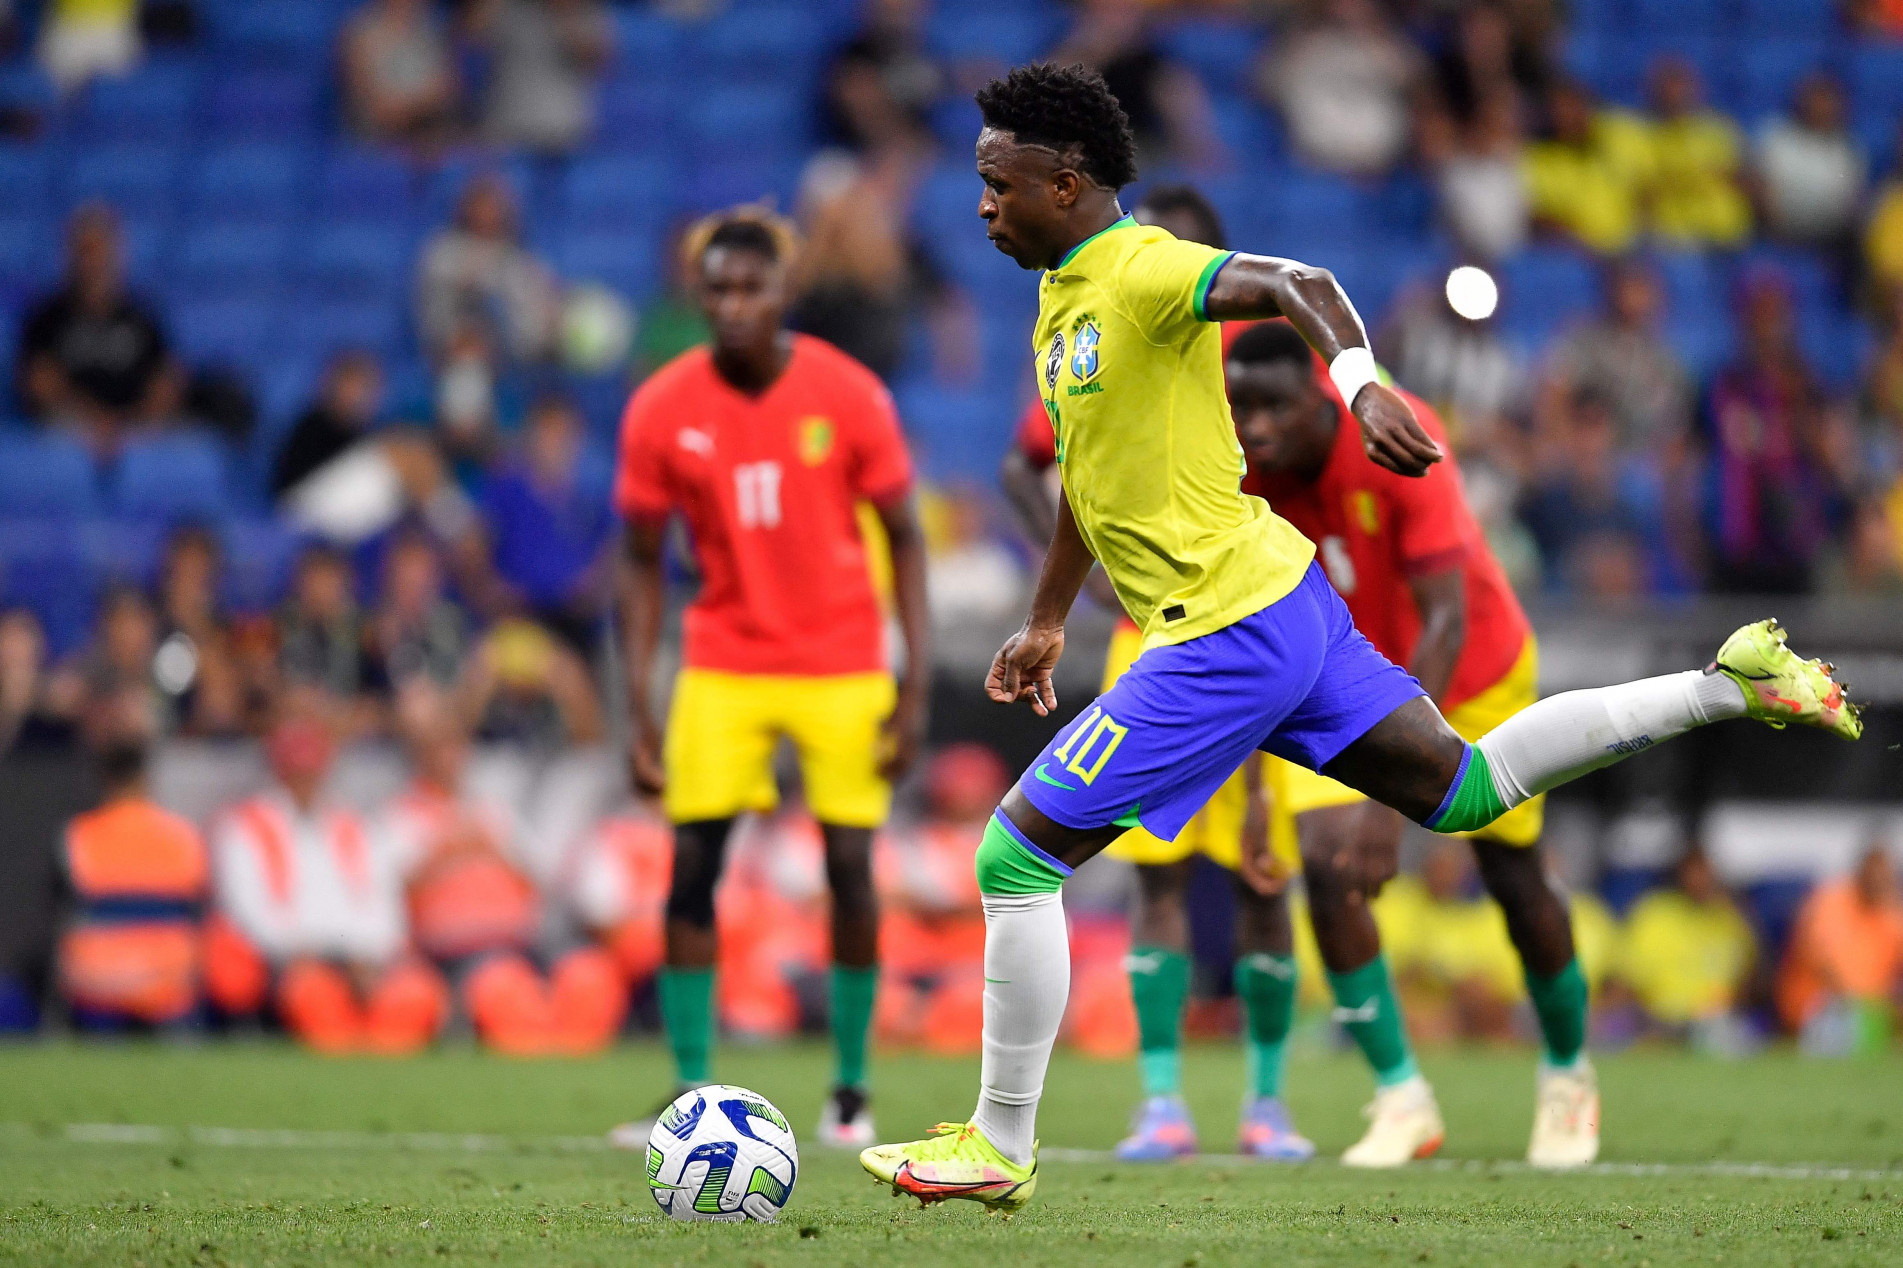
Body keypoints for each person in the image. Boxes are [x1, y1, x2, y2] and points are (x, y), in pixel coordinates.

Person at [859, 62, 1860, 1214]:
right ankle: (1727, 684)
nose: (983, 204)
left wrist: (1362, 385)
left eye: (1000, 183)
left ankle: (998, 1141)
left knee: (1013, 858)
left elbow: (1303, 280)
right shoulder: (1059, 299)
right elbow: (1088, 483)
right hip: (1279, 603)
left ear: (1067, 182)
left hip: (1223, 631)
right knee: (1467, 791)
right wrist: (1045, 616)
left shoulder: (1139, 268)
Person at [1231, 316, 1602, 1167]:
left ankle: (1567, 1074)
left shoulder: (1395, 432)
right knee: (1326, 868)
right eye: (1241, 409)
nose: (1255, 428)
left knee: (1511, 875)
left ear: (1320, 398)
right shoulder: (1238, 474)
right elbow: (1240, 633)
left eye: (1274, 408)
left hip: (1472, 672)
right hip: (1344, 680)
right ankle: (1401, 1098)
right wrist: (1253, 789)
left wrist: (1389, 803)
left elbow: (1445, 618)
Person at [1003, 184, 1316, 1164]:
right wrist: (1077, 587)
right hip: (1155, 637)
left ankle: (1267, 1103)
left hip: (1260, 622)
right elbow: (1037, 462)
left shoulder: (1262, 360)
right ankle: (1161, 1102)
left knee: (1264, 873)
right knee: (1157, 872)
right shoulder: (1105, 328)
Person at [614, 207, 931, 1147]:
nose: (733, 305)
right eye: (717, 289)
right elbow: (638, 559)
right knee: (691, 870)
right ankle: (687, 1090)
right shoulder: (661, 408)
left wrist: (913, 688)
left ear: (785, 292)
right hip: (723, 657)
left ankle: (850, 1089)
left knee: (850, 870)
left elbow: (906, 537)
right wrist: (639, 703)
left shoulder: (850, 394)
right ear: (698, 295)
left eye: (751, 288)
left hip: (841, 658)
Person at [207, 696, 449, 1053]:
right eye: (297, 768)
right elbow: (249, 914)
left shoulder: (351, 825)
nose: (305, 778)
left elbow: (383, 907)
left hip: (362, 963)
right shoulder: (245, 826)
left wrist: (367, 958)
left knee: (417, 995)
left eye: (311, 768)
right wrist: (321, 954)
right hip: (291, 963)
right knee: (314, 997)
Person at [57, 739, 209, 1029]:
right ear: (145, 779)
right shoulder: (182, 835)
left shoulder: (79, 835)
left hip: (99, 980)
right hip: (168, 978)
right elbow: (198, 909)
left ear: (104, 780)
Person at [16, 204, 180, 447]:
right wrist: (93, 421)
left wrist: (127, 425)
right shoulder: (46, 318)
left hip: (135, 432)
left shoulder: (142, 316)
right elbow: (39, 383)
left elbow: (165, 381)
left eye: (99, 250)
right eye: (85, 251)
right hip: (68, 432)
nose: (92, 262)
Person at [415, 174, 561, 367]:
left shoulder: (521, 259)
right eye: (482, 206)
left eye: (494, 206)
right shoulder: (443, 251)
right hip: (455, 355)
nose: (487, 213)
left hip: (514, 360)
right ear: (466, 208)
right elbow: (434, 311)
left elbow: (542, 310)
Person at [1777, 843, 1903, 1043]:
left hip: (1872, 1010)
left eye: (1884, 878)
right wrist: (1859, 1002)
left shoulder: (1890, 912)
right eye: (1873, 876)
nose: (1878, 882)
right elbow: (1822, 962)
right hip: (1821, 1007)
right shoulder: (1830, 901)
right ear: (1860, 873)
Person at [467, 0, 612, 155]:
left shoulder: (585, 13)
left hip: (564, 134)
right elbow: (469, 38)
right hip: (505, 131)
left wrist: (564, 13)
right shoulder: (509, 9)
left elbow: (597, 61)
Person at [341, 0, 461, 149]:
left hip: (432, 128)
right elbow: (372, 106)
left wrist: (422, 104)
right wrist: (419, 104)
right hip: (380, 138)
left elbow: (448, 89)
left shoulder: (431, 34)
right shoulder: (362, 37)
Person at [272, 351, 385, 503]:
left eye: (365, 389)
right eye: (352, 386)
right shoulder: (313, 426)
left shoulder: (359, 430)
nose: (358, 396)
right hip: (301, 503)